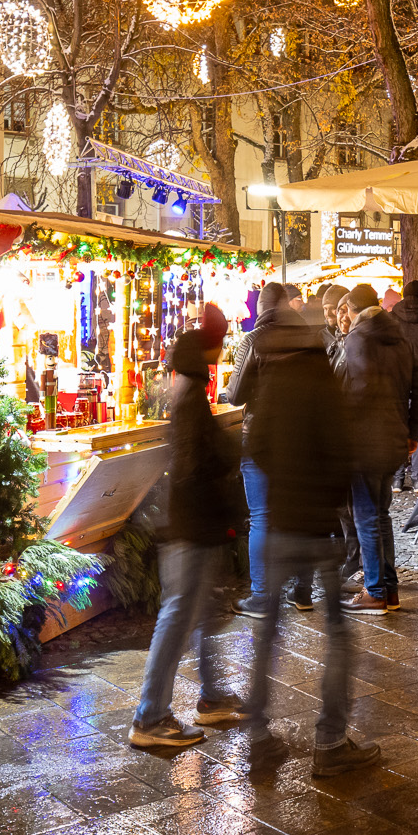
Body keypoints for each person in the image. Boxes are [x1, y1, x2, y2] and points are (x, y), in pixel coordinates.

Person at [241, 305, 380, 778]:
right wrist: (327, 495)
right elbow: (342, 450)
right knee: (338, 636)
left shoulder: (274, 382)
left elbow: (255, 444)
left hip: (280, 521)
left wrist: (282, 481)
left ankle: (258, 736)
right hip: (316, 526)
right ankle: (331, 740)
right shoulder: (322, 380)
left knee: (268, 634)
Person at [131, 309, 247, 748]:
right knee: (179, 616)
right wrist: (229, 449)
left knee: (197, 614)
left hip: (191, 523)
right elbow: (197, 464)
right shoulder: (193, 397)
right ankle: (150, 717)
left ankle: (213, 697)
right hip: (193, 525)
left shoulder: (186, 391)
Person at [335, 283, 418, 612]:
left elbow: (346, 391)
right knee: (381, 514)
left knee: (366, 516)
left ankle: (375, 590)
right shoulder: (399, 338)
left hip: (363, 442)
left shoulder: (357, 339)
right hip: (393, 439)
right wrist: (412, 432)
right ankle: (388, 590)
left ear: (352, 309)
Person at [225, 283, 311, 616]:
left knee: (261, 517)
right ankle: (302, 592)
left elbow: (235, 394)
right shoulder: (310, 338)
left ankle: (262, 596)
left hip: (262, 436)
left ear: (262, 306)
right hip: (302, 436)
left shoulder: (255, 339)